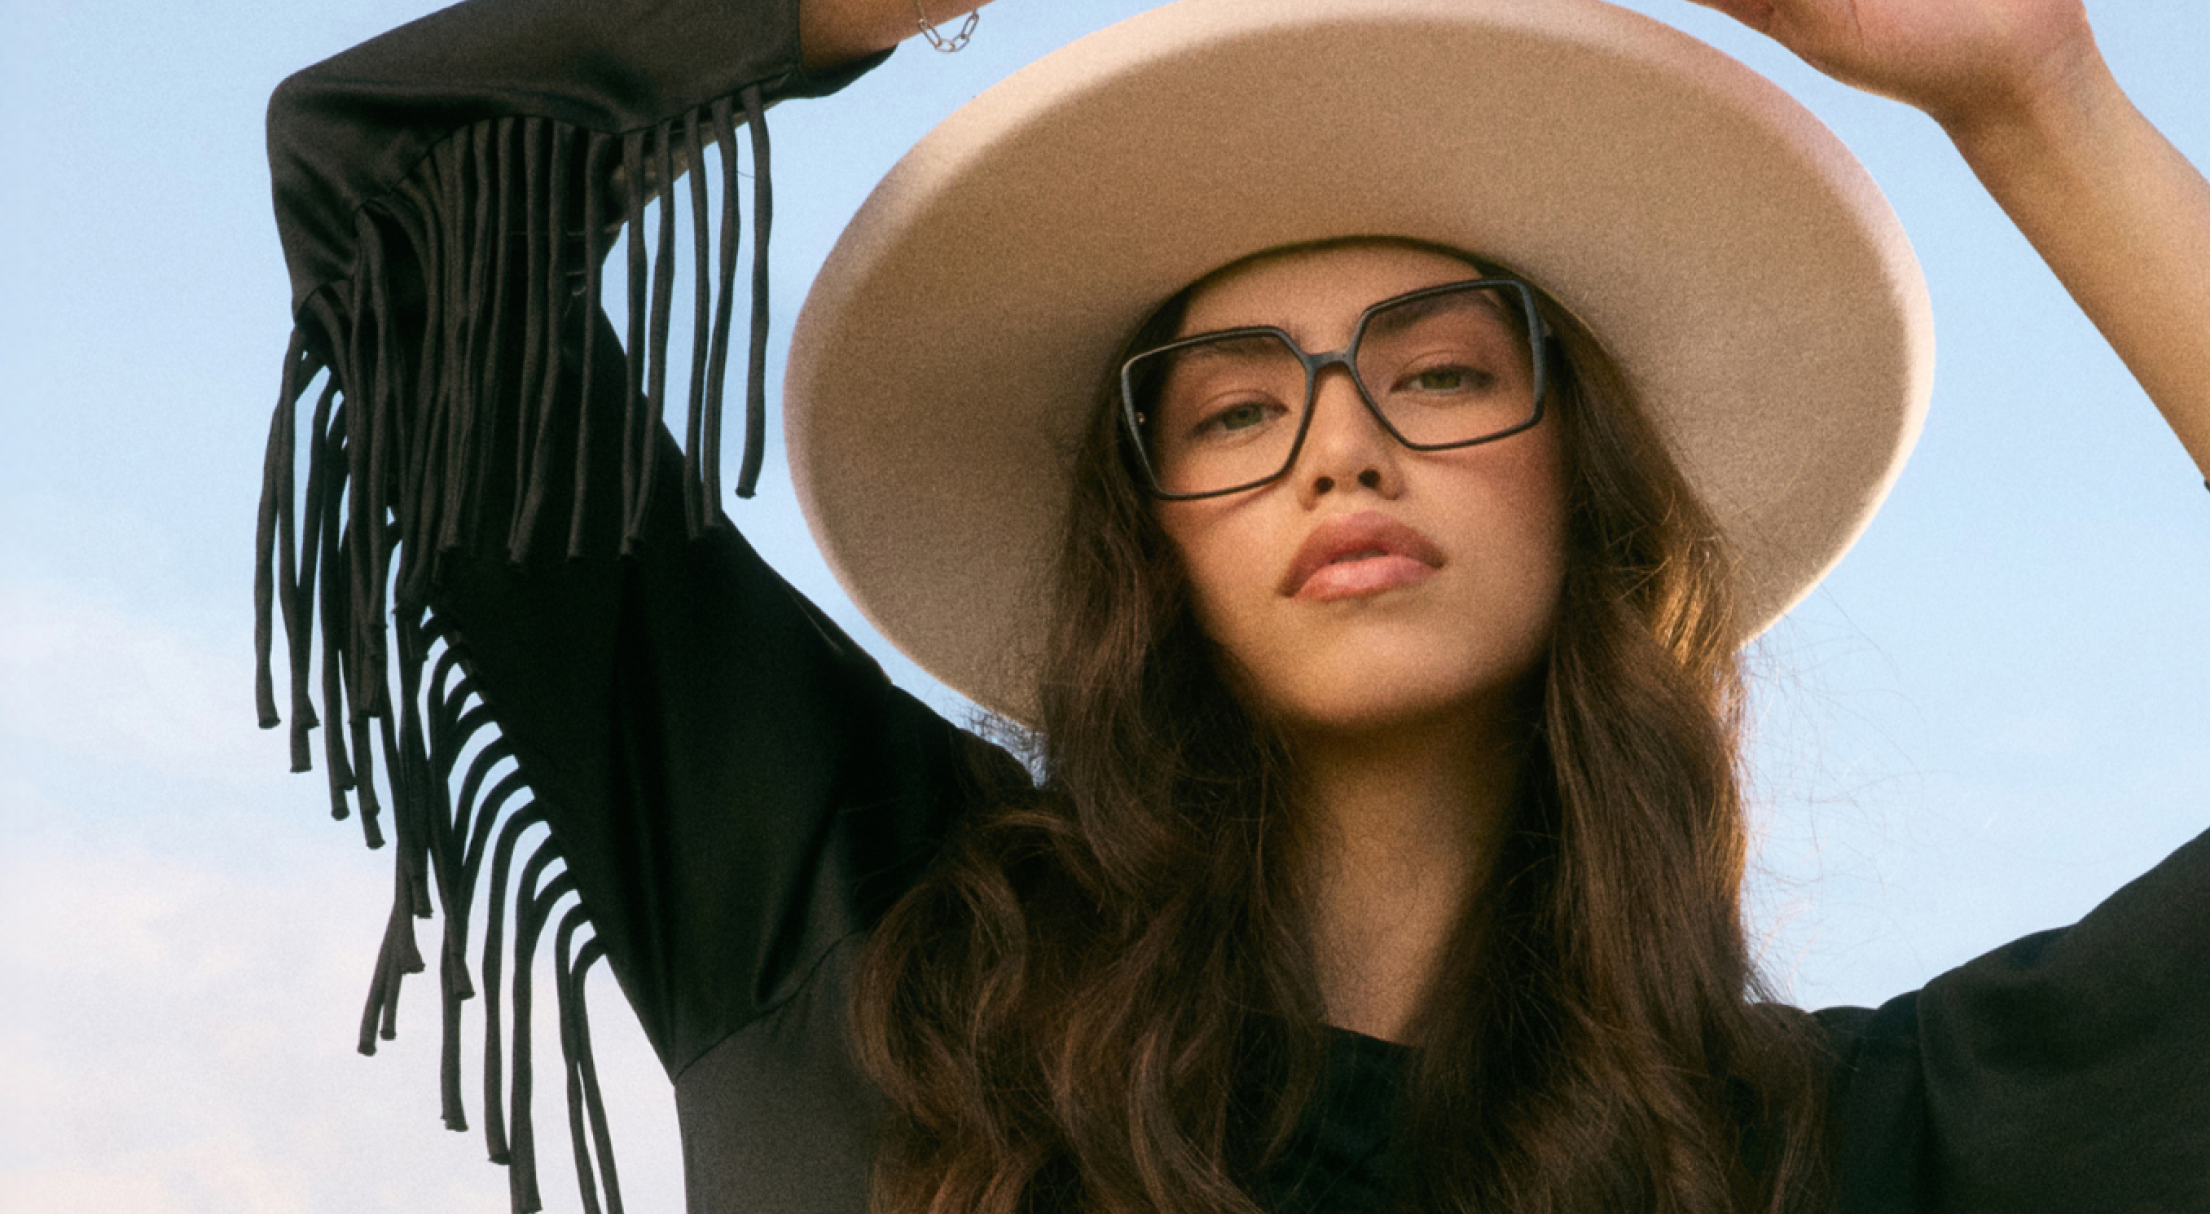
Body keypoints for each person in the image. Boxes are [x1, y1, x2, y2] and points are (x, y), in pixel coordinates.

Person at [247, 0, 2210, 1210]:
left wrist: (2039, 99)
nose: (1339, 449)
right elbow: (398, 194)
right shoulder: (859, 926)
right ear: (1146, 544)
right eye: (1239, 408)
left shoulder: (1814, 1153)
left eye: (1440, 372)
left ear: (1585, 486)